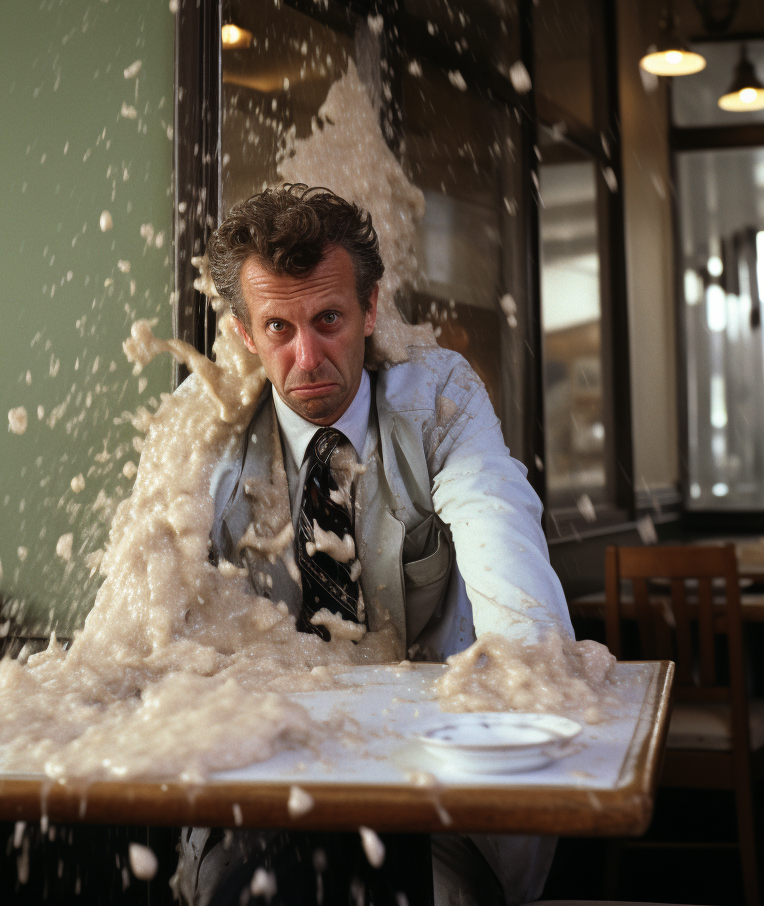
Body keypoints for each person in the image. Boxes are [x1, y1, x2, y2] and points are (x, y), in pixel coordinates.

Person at [175, 183, 573, 906]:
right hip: (264, 770)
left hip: (436, 773)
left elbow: (503, 542)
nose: (307, 356)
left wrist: (532, 667)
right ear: (242, 335)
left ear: (371, 308)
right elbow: (144, 609)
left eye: (328, 319)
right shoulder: (201, 426)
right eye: (279, 329)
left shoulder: (439, 398)